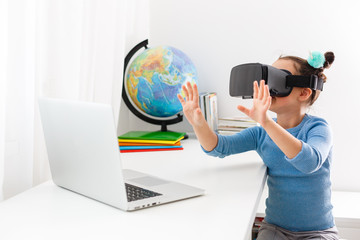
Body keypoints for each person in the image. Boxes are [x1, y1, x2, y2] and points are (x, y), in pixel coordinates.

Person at [177, 52, 339, 240]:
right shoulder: (261, 133)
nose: (268, 87)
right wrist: (198, 124)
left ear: (303, 93)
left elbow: (309, 162)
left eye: (278, 79)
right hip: (276, 230)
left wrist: (267, 123)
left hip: (318, 232)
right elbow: (219, 147)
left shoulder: (318, 128)